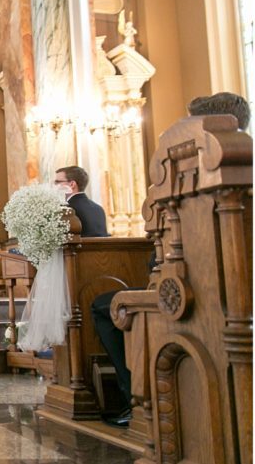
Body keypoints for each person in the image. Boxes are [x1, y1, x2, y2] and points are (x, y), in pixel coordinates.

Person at [93, 92, 251, 428]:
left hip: (205, 297)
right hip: (215, 293)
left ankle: (137, 402)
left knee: (117, 306)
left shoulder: (188, 182)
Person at [55, 166, 109, 238]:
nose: (54, 186)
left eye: (57, 182)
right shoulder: (98, 209)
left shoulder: (67, 209)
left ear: (72, 184)